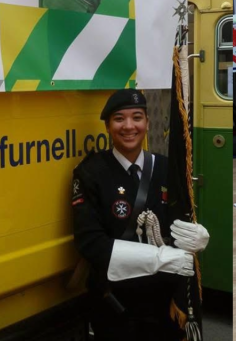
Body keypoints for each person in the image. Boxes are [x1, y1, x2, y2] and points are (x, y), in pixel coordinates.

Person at [71, 89, 210, 340]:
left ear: (147, 123)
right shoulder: (90, 173)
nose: (128, 126)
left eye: (137, 117)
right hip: (117, 300)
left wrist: (196, 238)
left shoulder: (167, 168)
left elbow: (180, 223)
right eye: (119, 119)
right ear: (107, 125)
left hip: (163, 299)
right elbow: (91, 244)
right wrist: (157, 258)